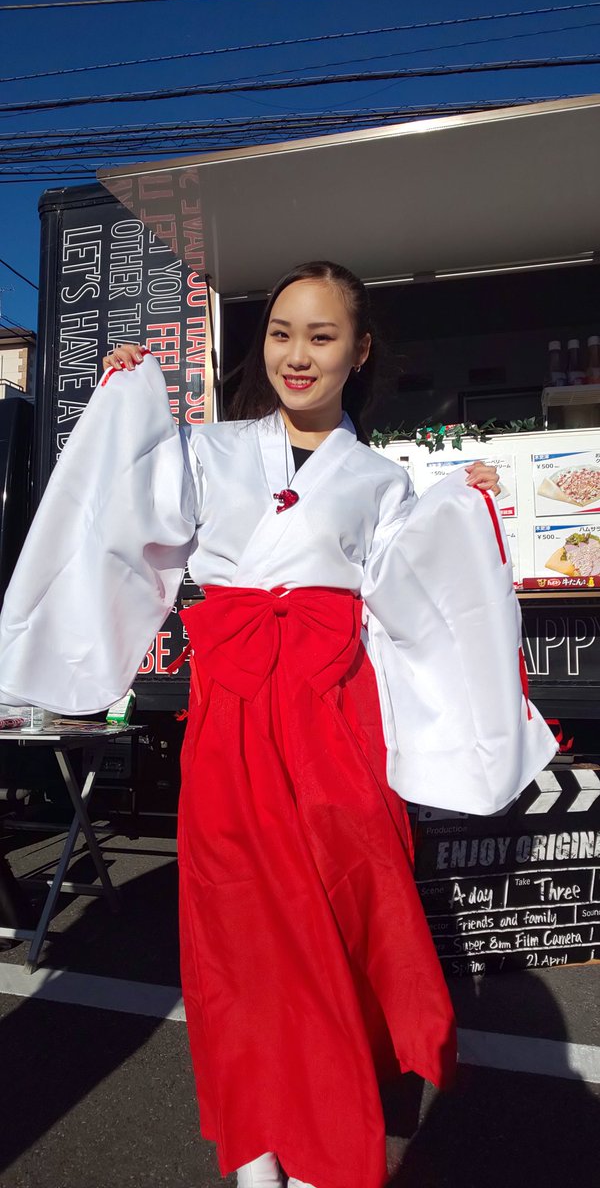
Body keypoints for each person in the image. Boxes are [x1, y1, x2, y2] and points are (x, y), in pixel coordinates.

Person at [0, 261, 556, 1188]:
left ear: (359, 351)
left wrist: (466, 507)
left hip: (335, 721)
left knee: (333, 923)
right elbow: (119, 514)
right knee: (240, 936)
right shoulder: (205, 452)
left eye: (321, 336)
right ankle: (257, 1143)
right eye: (281, 333)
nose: (297, 355)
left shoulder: (381, 481)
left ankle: (325, 1136)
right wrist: (124, 408)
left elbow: (418, 603)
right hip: (232, 723)